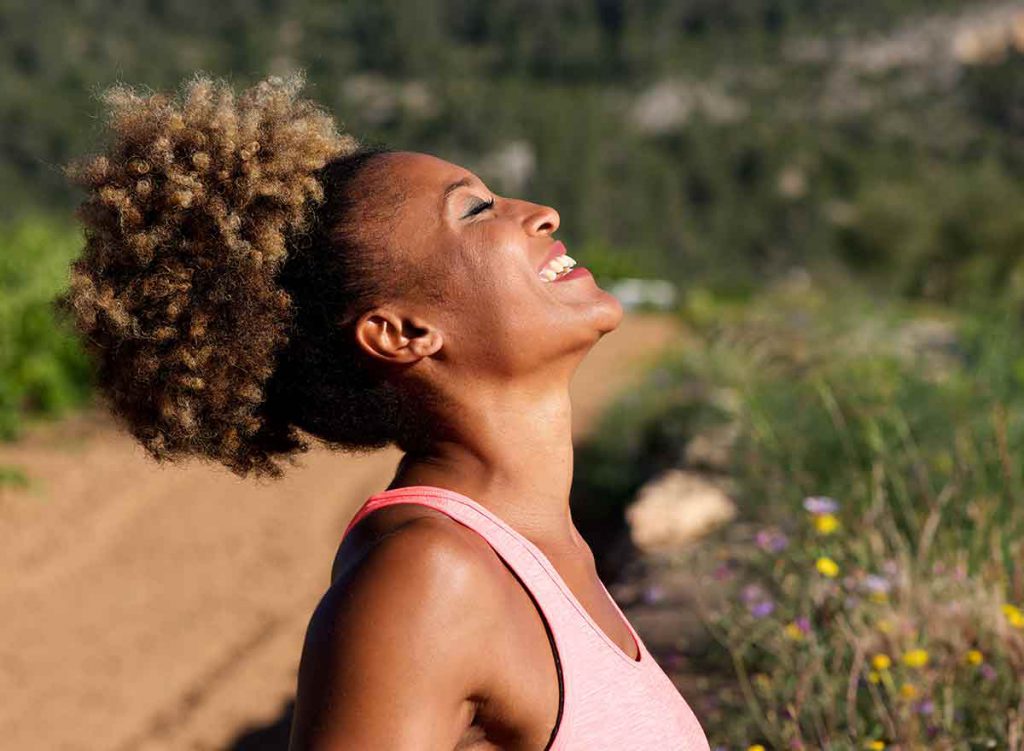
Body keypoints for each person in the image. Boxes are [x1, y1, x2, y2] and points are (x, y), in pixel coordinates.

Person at [58, 73, 710, 750]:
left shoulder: (547, 553)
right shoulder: (430, 579)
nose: (541, 212)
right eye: (476, 212)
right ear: (401, 333)